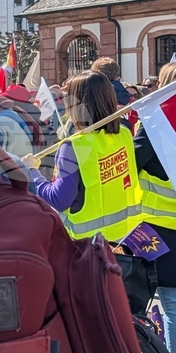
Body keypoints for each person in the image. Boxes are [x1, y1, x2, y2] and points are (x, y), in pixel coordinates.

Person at [23, 71, 141, 242]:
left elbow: (59, 200)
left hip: (87, 247)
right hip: (125, 237)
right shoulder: (123, 133)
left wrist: (32, 172)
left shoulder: (74, 147)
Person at [135, 62, 176, 353]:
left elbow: (131, 165)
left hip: (162, 228)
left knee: (170, 304)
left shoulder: (155, 124)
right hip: (162, 229)